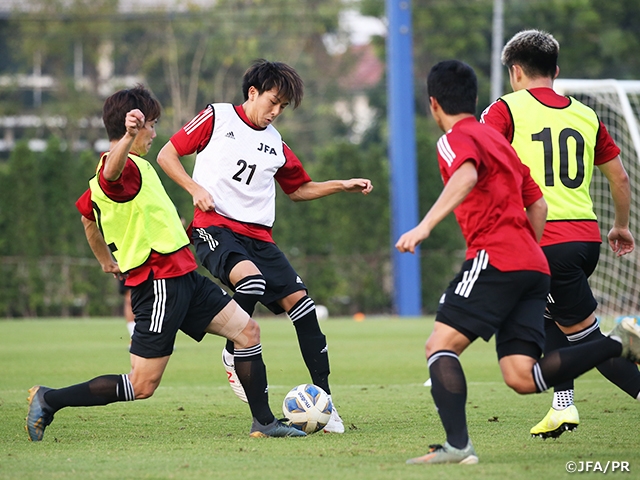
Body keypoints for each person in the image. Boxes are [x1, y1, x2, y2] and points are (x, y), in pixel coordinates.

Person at [25, 85, 305, 442]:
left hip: (184, 276)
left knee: (248, 332)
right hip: (158, 283)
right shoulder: (121, 169)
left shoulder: (119, 173)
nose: (155, 134)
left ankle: (264, 424)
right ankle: (49, 399)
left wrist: (105, 261)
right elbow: (112, 173)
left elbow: (87, 218)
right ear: (132, 128)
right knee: (142, 385)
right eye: (151, 126)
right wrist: (126, 138)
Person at [395, 60, 640, 465]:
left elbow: (467, 175)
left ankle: (458, 447)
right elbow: (537, 202)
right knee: (521, 377)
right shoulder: (501, 146)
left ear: (433, 105)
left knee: (439, 346)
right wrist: (527, 248)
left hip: (498, 256)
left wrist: (424, 226)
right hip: (533, 261)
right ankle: (618, 343)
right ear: (474, 99)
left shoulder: (456, 138)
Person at [156, 60, 373, 434]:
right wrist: (195, 189)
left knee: (304, 308)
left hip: (260, 239)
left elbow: (298, 189)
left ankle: (325, 401)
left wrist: (339, 185)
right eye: (273, 101)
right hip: (215, 228)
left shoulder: (276, 145)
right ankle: (231, 351)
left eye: (283, 107)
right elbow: (166, 155)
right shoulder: (217, 118)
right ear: (253, 92)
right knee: (251, 283)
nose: (276, 112)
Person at [481, 29, 640, 439]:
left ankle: (626, 353)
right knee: (549, 315)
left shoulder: (504, 110)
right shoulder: (586, 115)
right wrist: (620, 225)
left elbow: (481, 165)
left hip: (544, 243)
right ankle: (562, 407)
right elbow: (620, 179)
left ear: (515, 72)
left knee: (594, 342)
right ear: (556, 70)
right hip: (585, 242)